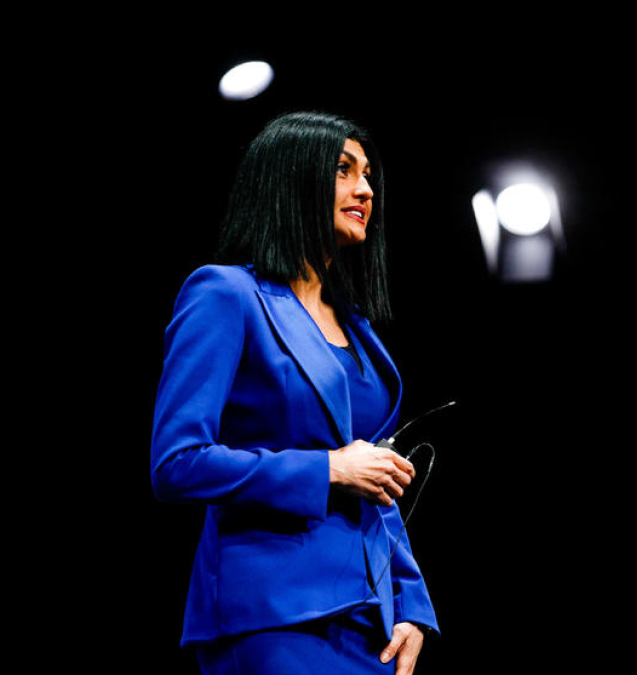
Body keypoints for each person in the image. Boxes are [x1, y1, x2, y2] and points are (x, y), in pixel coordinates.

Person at [151, 111, 438, 674]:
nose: (366, 188)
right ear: (292, 178)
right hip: (272, 614)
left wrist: (411, 603)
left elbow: (375, 478)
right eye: (343, 170)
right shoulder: (225, 294)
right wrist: (327, 469)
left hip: (372, 621)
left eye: (369, 174)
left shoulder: (355, 326)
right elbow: (177, 464)